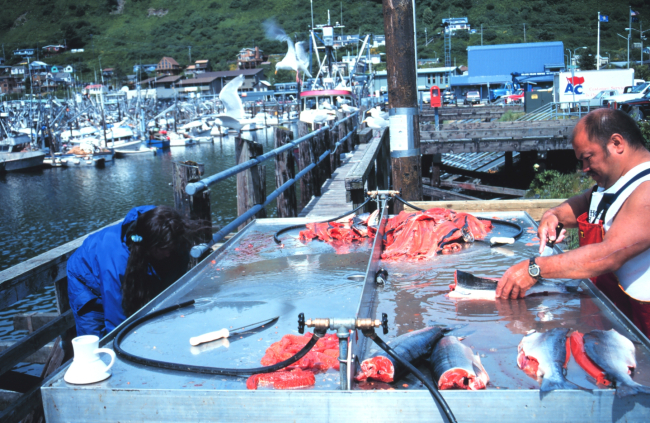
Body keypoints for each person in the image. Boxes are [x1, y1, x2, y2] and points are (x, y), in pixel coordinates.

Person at [497, 109, 650, 337]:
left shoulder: (646, 190)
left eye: (588, 158)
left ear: (617, 143)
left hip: (641, 328)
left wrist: (536, 268)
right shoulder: (613, 183)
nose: (584, 169)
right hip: (611, 322)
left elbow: (609, 255)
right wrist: (553, 215)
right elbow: (580, 204)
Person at [67, 205, 206, 337]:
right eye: (164, 249)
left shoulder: (169, 232)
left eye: (171, 248)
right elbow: (117, 318)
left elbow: (173, 290)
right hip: (87, 277)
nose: (169, 254)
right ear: (150, 246)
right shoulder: (117, 263)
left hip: (130, 262)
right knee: (95, 341)